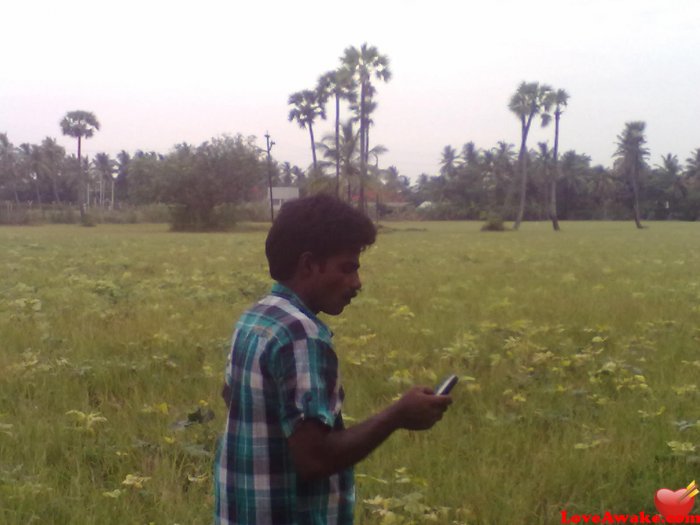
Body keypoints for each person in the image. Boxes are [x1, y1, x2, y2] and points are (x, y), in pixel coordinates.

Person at [214, 194, 452, 525]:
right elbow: (314, 459)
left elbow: (231, 396)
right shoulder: (301, 335)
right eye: (347, 268)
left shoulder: (256, 317)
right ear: (309, 264)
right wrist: (397, 415)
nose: (357, 283)